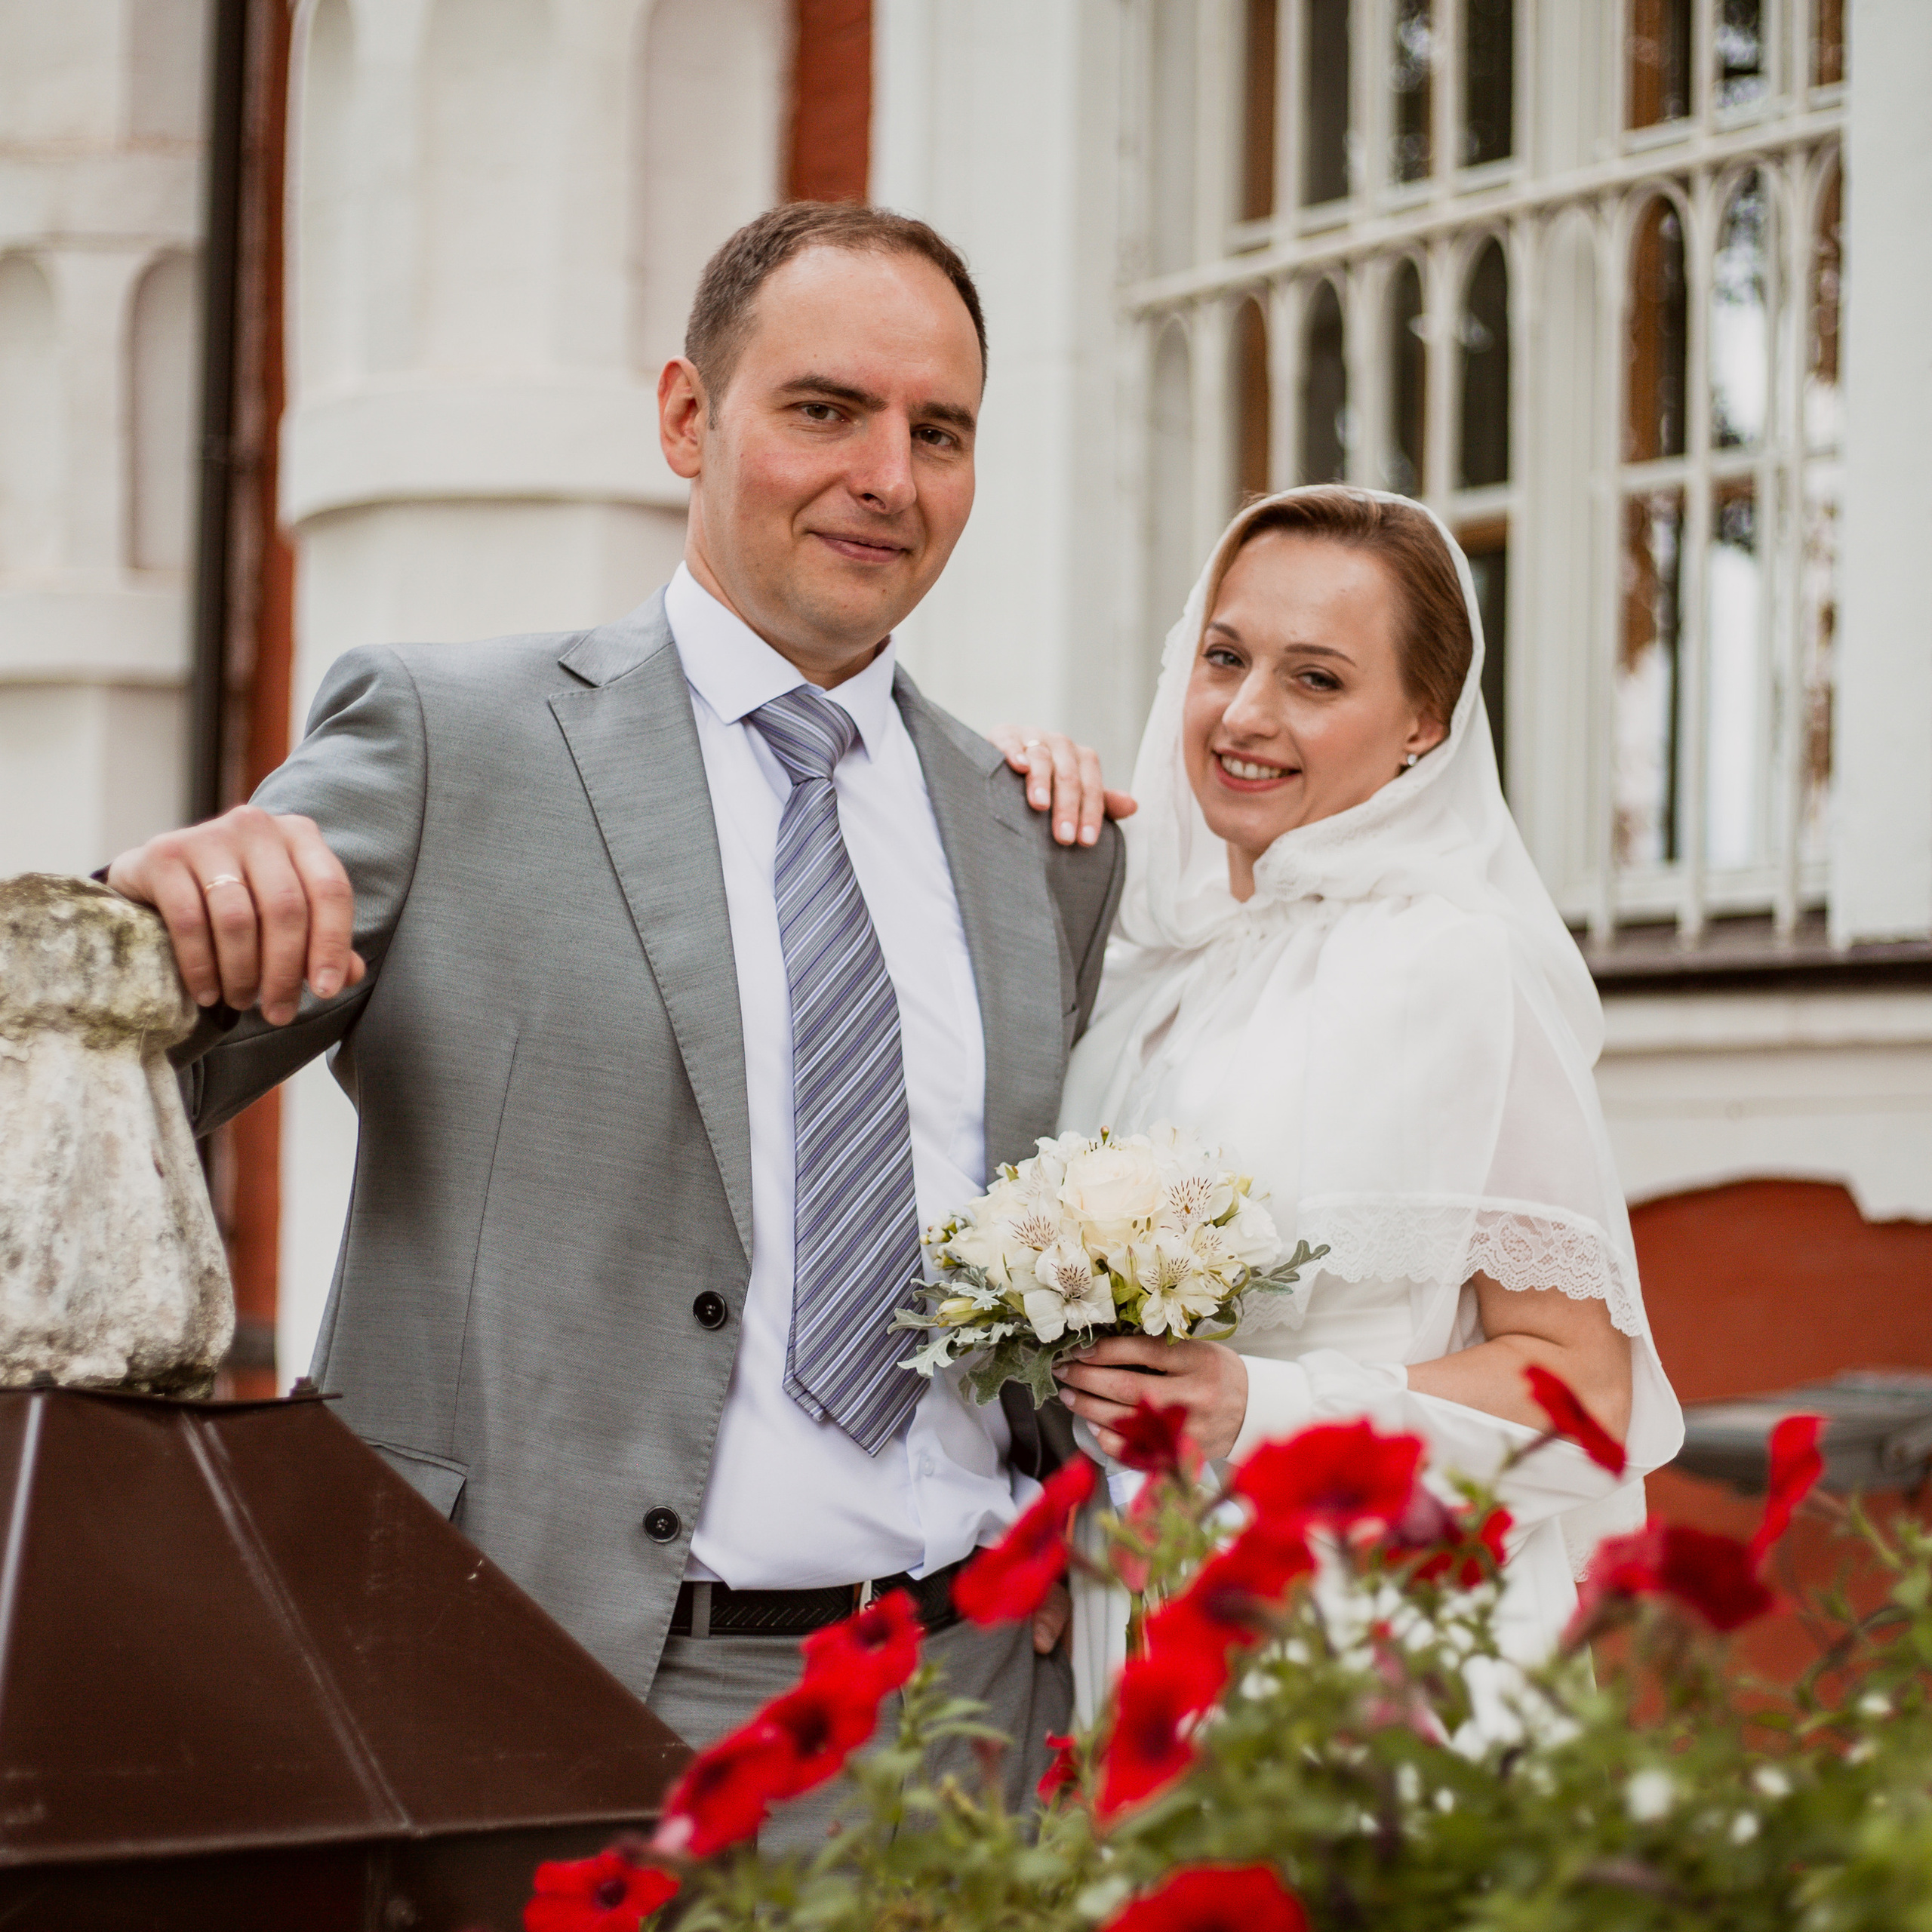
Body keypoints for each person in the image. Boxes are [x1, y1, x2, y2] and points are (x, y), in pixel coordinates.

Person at [103, 203, 1128, 1836]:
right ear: (682, 415)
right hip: (544, 1684)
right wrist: (149, 923)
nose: (888, 473)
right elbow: (127, 1085)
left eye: (937, 430)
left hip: (969, 1707)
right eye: (822, 409)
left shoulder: (1036, 837)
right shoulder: (452, 738)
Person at [1045, 485, 1684, 1701]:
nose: (1244, 713)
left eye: (1317, 679)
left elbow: (1585, 1397)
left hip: (1373, 1659)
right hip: (1133, 1639)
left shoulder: (1459, 966)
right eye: (1224, 656)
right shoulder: (1152, 966)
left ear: (1423, 728)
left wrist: (1262, 1405)